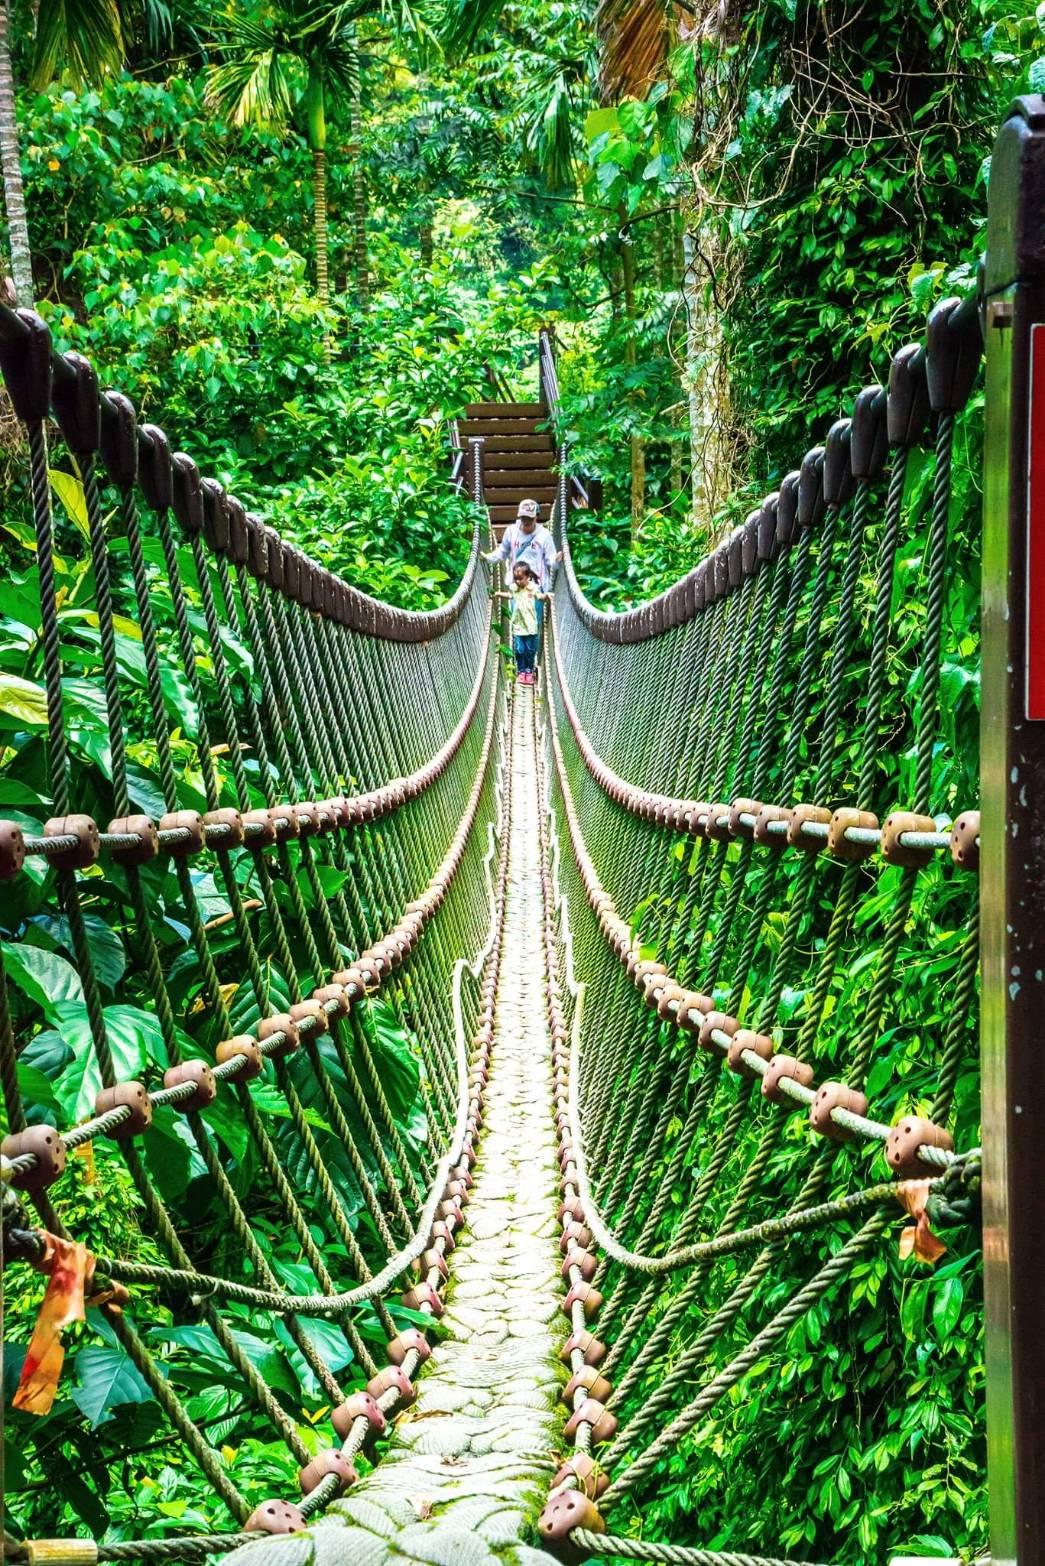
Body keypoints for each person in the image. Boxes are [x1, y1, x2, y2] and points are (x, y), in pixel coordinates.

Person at [483, 499, 561, 625]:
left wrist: (556, 560)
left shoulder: (544, 535)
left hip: (537, 585)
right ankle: (519, 645)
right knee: (518, 623)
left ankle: (534, 645)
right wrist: (487, 558)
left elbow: (550, 561)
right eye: (524, 517)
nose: (526, 521)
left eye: (529, 518)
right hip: (516, 584)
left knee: (534, 624)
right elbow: (502, 552)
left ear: (536, 516)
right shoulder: (511, 531)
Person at [493, 561, 547, 686]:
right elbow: (509, 595)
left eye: (520, 579)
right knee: (519, 650)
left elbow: (540, 597)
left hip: (531, 626)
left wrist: (547, 596)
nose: (518, 581)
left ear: (528, 577)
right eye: (516, 579)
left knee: (530, 650)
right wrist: (498, 594)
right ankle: (521, 671)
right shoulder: (514, 588)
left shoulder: (533, 588)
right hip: (518, 625)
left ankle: (529, 670)